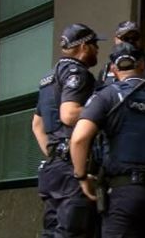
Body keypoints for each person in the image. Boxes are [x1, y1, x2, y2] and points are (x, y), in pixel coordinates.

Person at [69, 42, 145, 238]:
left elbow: (79, 139)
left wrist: (81, 177)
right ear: (143, 65)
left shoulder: (106, 96)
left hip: (123, 192)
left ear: (113, 68)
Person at [31, 23, 103, 238]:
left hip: (53, 168)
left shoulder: (49, 78)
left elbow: (36, 124)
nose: (97, 50)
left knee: (52, 232)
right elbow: (69, 114)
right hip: (72, 169)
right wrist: (103, 112)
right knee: (73, 232)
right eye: (94, 44)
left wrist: (55, 154)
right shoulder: (77, 72)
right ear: (83, 46)